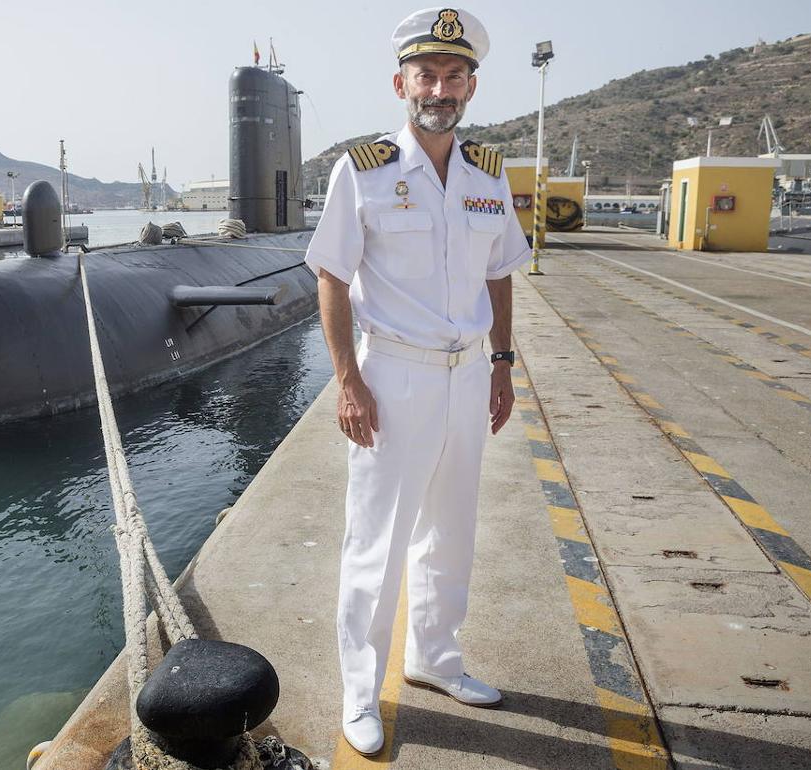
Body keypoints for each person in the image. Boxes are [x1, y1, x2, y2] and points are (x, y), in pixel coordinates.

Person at [302, 7, 532, 756]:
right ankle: (360, 690)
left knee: (451, 531)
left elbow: (499, 273)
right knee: (376, 541)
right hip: (392, 374)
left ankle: (435, 658)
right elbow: (332, 278)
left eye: (454, 75)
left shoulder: (486, 177)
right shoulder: (362, 172)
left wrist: (501, 363)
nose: (440, 87)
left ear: (471, 86)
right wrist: (347, 380)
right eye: (426, 74)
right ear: (401, 82)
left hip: (468, 376)